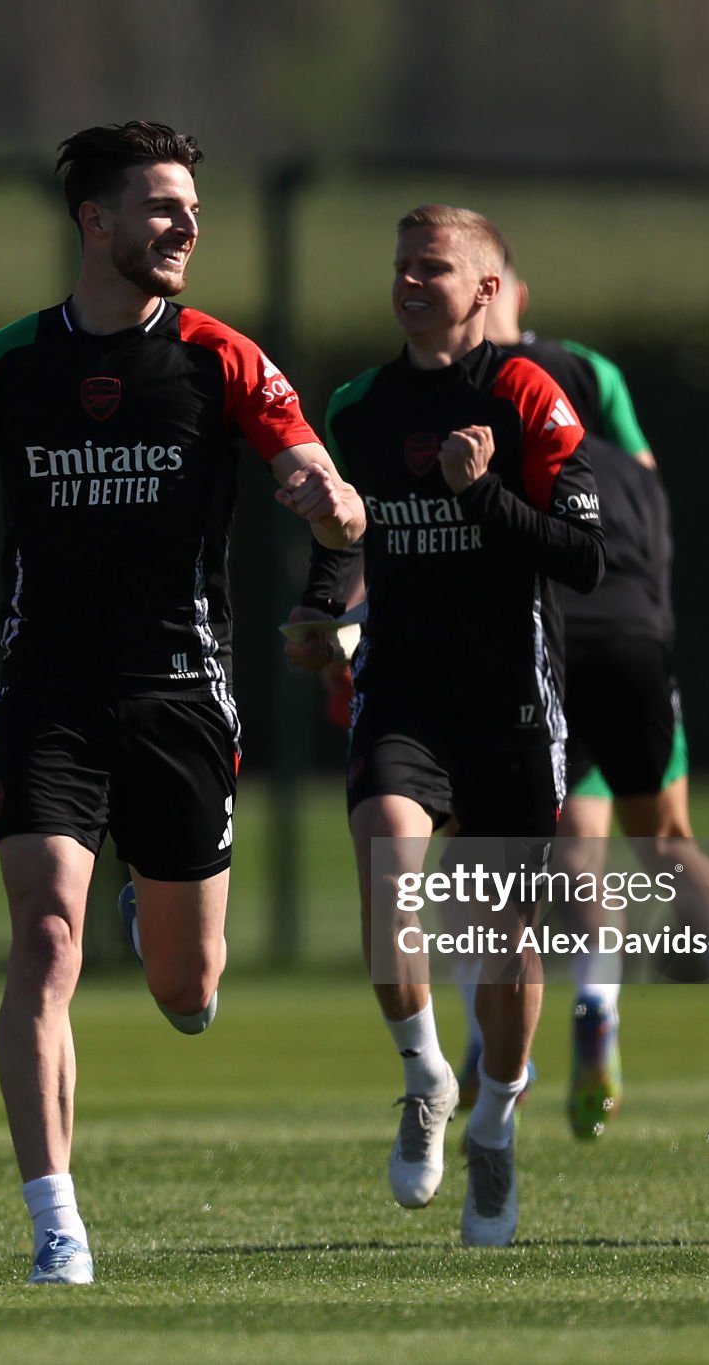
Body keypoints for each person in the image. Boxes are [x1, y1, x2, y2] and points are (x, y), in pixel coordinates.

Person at [0, 121, 363, 1284]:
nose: (186, 225)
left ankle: (150, 917)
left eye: (193, 208)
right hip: (46, 694)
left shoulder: (220, 359)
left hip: (180, 696)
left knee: (185, 988)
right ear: (93, 221)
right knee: (44, 937)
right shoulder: (2, 367)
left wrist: (331, 501)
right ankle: (55, 1224)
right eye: (162, 206)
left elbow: (324, 487)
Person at [287, 205, 603, 1246]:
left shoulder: (528, 395)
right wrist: (319, 611)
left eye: (433, 267)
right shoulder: (359, 405)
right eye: (400, 266)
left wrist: (479, 495)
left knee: (508, 943)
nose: (410, 283)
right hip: (403, 694)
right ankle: (426, 1075)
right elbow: (344, 538)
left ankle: (496, 1124)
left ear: (485, 289)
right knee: (389, 862)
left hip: (511, 702)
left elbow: (582, 557)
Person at [468, 283, 709, 1138]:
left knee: (564, 855)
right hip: (636, 643)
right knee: (670, 845)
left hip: (550, 649)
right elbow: (652, 524)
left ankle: (587, 1007)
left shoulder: (478, 416)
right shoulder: (619, 443)